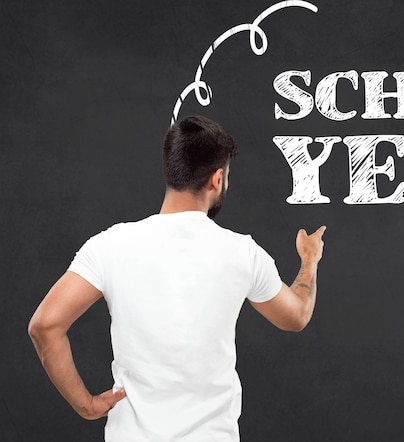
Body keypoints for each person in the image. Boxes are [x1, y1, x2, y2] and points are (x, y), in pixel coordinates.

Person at [28, 115, 326, 441]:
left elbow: (45, 325)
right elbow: (296, 316)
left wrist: (86, 405)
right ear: (217, 179)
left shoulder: (109, 245)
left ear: (171, 170)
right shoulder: (243, 253)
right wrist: (309, 260)